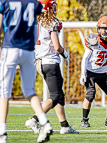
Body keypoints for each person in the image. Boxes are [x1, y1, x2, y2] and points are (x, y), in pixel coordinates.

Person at [0, 0, 53, 143]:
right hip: (29, 50)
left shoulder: (5, 2)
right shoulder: (34, 3)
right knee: (30, 90)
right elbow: (36, 30)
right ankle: (44, 122)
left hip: (10, 47)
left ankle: (2, 133)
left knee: (4, 92)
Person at [25, 0, 79, 134]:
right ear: (47, 7)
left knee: (58, 95)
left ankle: (64, 126)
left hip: (39, 61)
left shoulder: (35, 22)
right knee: (55, 96)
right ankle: (34, 119)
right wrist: (65, 54)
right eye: (52, 6)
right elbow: (56, 46)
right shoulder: (51, 22)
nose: (54, 9)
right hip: (50, 61)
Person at [80, 16, 107, 128]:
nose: (104, 31)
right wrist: (83, 73)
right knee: (90, 95)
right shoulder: (93, 40)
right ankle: (84, 120)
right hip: (90, 72)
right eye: (102, 28)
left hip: (103, 73)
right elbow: (85, 58)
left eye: (106, 28)